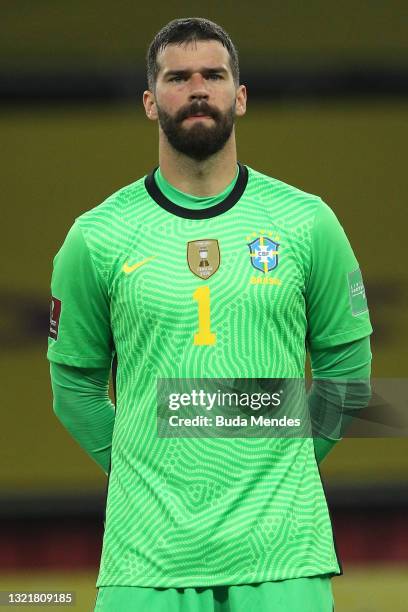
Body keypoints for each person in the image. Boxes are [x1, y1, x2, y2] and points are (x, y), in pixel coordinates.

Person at [47, 17, 372, 612]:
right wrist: (149, 463)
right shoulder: (95, 237)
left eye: (214, 75)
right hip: (145, 556)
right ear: (150, 101)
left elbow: (348, 378)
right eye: (178, 77)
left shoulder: (308, 223)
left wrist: (279, 457)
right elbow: (74, 390)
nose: (198, 88)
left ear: (239, 96)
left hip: (282, 554)